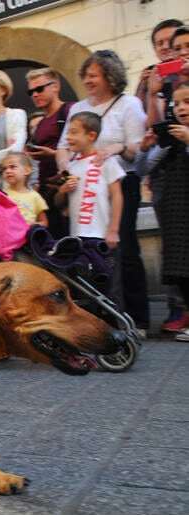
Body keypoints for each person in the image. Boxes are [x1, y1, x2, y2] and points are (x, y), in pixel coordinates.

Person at [56, 50, 149, 336]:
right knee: (88, 258)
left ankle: (137, 317)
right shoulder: (78, 108)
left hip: (118, 181)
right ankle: (99, 317)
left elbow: (136, 149)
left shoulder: (129, 104)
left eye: (93, 75)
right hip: (83, 188)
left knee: (125, 249)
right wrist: (66, 173)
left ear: (110, 76)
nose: (87, 81)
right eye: (85, 75)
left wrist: (113, 148)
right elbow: (63, 146)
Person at [137, 82, 189, 341]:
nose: (181, 108)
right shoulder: (171, 137)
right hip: (177, 211)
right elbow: (143, 168)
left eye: (187, 102)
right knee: (181, 268)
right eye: (177, 103)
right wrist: (146, 148)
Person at [55, 112, 124, 297]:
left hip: (101, 236)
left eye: (74, 132)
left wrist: (113, 229)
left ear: (91, 135)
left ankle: (116, 324)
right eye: (67, 132)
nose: (68, 137)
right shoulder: (71, 166)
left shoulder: (106, 162)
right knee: (83, 287)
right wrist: (62, 191)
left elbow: (117, 195)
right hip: (77, 237)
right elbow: (61, 207)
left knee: (109, 285)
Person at [25, 67, 74, 238]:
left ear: (55, 86)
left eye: (39, 89)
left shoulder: (69, 110)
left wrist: (52, 154)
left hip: (69, 189)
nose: (35, 95)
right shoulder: (41, 123)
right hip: (47, 193)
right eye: (31, 91)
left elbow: (82, 149)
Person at [136, 19, 184, 109]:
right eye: (160, 43)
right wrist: (143, 87)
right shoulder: (151, 73)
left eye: (170, 41)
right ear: (155, 49)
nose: (165, 47)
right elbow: (139, 113)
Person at [2, 153, 48, 227]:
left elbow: (44, 222)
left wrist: (32, 225)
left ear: (27, 170)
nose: (7, 171)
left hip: (27, 237)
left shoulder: (35, 196)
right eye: (4, 168)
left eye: (12, 167)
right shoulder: (1, 194)